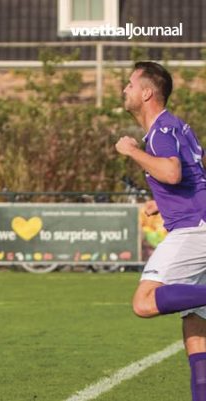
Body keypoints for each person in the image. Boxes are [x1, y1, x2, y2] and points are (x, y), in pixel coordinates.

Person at [116, 61, 206, 401]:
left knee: (144, 301)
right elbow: (194, 174)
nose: (125, 89)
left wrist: (132, 152)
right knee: (196, 324)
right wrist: (161, 203)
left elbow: (171, 172)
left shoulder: (160, 132)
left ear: (147, 92)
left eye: (129, 84)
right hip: (198, 221)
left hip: (193, 230)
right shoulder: (177, 127)